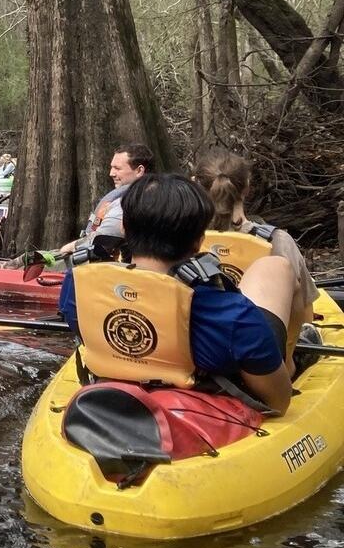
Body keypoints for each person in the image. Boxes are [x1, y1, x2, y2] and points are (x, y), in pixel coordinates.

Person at [58, 173, 301, 414]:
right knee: (277, 267)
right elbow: (278, 402)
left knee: (272, 269)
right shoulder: (232, 314)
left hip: (114, 385)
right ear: (199, 241)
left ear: (123, 227)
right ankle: (289, 365)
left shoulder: (77, 284)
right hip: (209, 406)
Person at [191, 147, 316, 330]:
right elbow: (304, 316)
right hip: (267, 350)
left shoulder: (180, 242)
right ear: (247, 187)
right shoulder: (278, 241)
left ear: (195, 185)